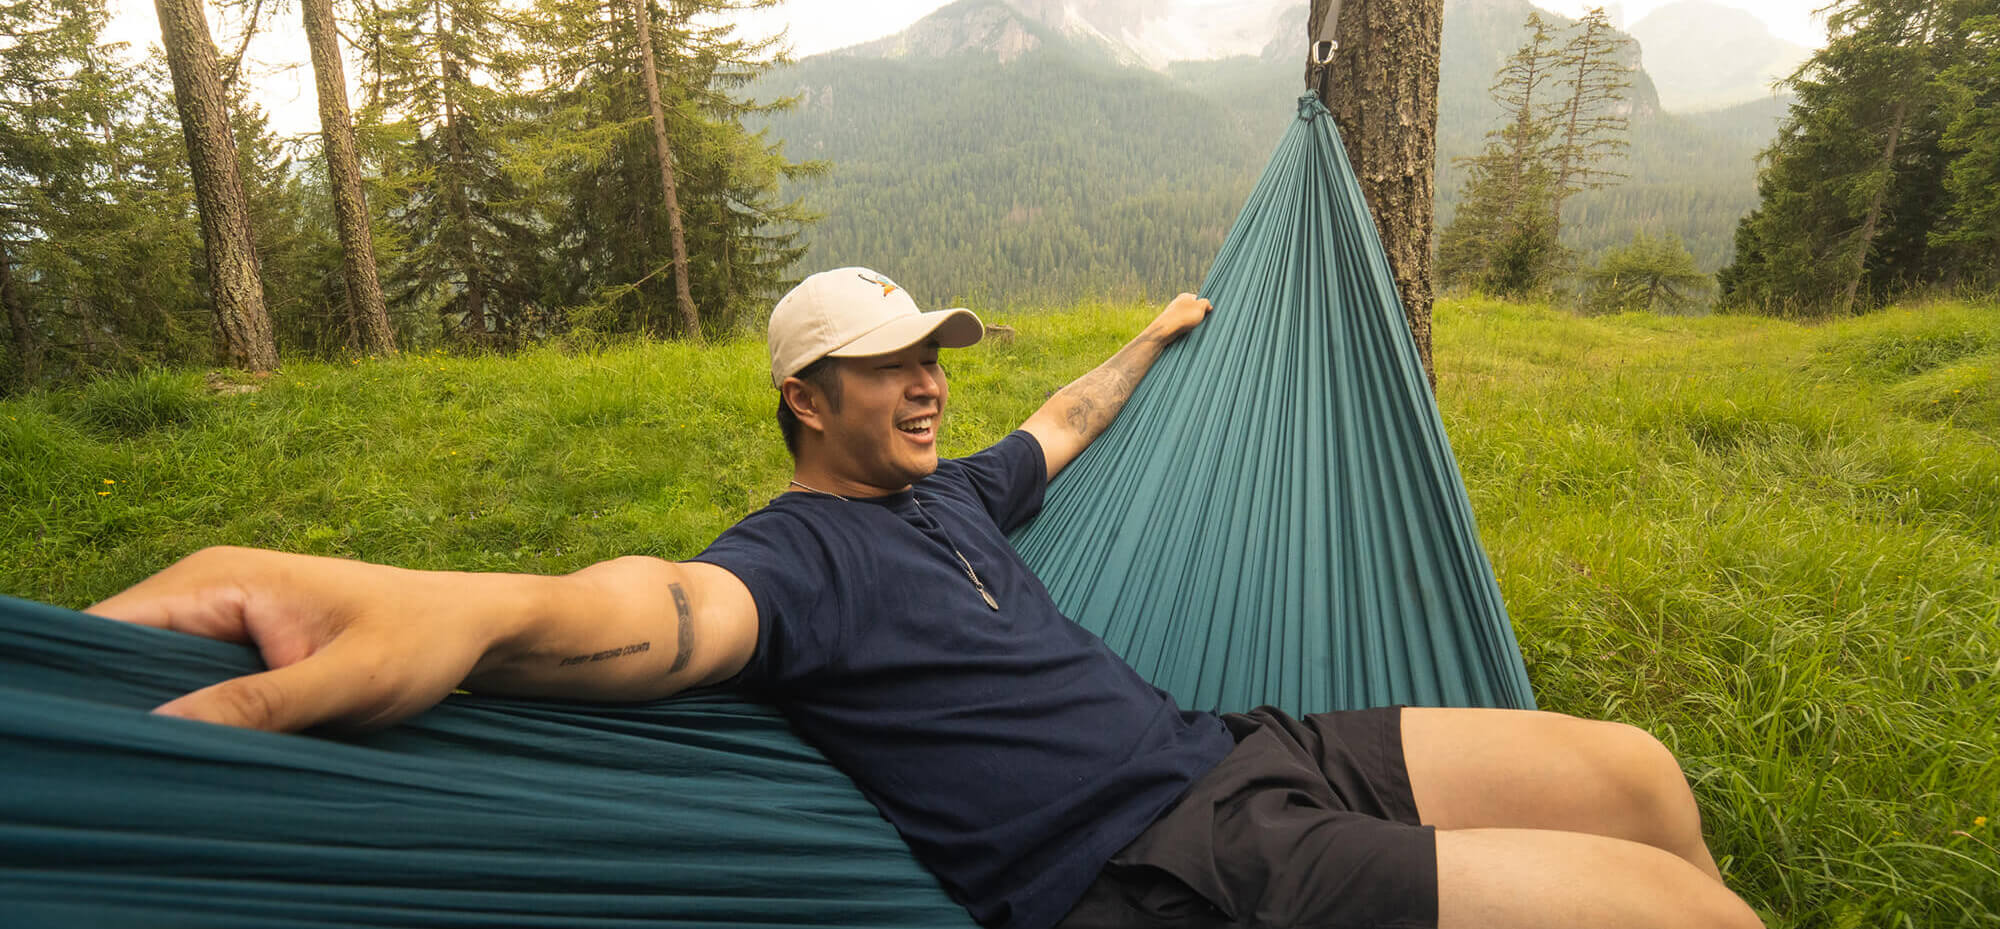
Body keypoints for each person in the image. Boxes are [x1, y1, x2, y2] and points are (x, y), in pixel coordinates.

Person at [89, 268, 1763, 929]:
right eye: (885, 365)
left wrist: (1165, 334)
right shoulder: (795, 556)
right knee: (1685, 920)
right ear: (803, 399)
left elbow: (1070, 421)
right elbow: (665, 613)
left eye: (933, 357)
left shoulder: (954, 495)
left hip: (1242, 750)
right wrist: (473, 608)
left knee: (1632, 774)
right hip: (1164, 869)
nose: (928, 383)